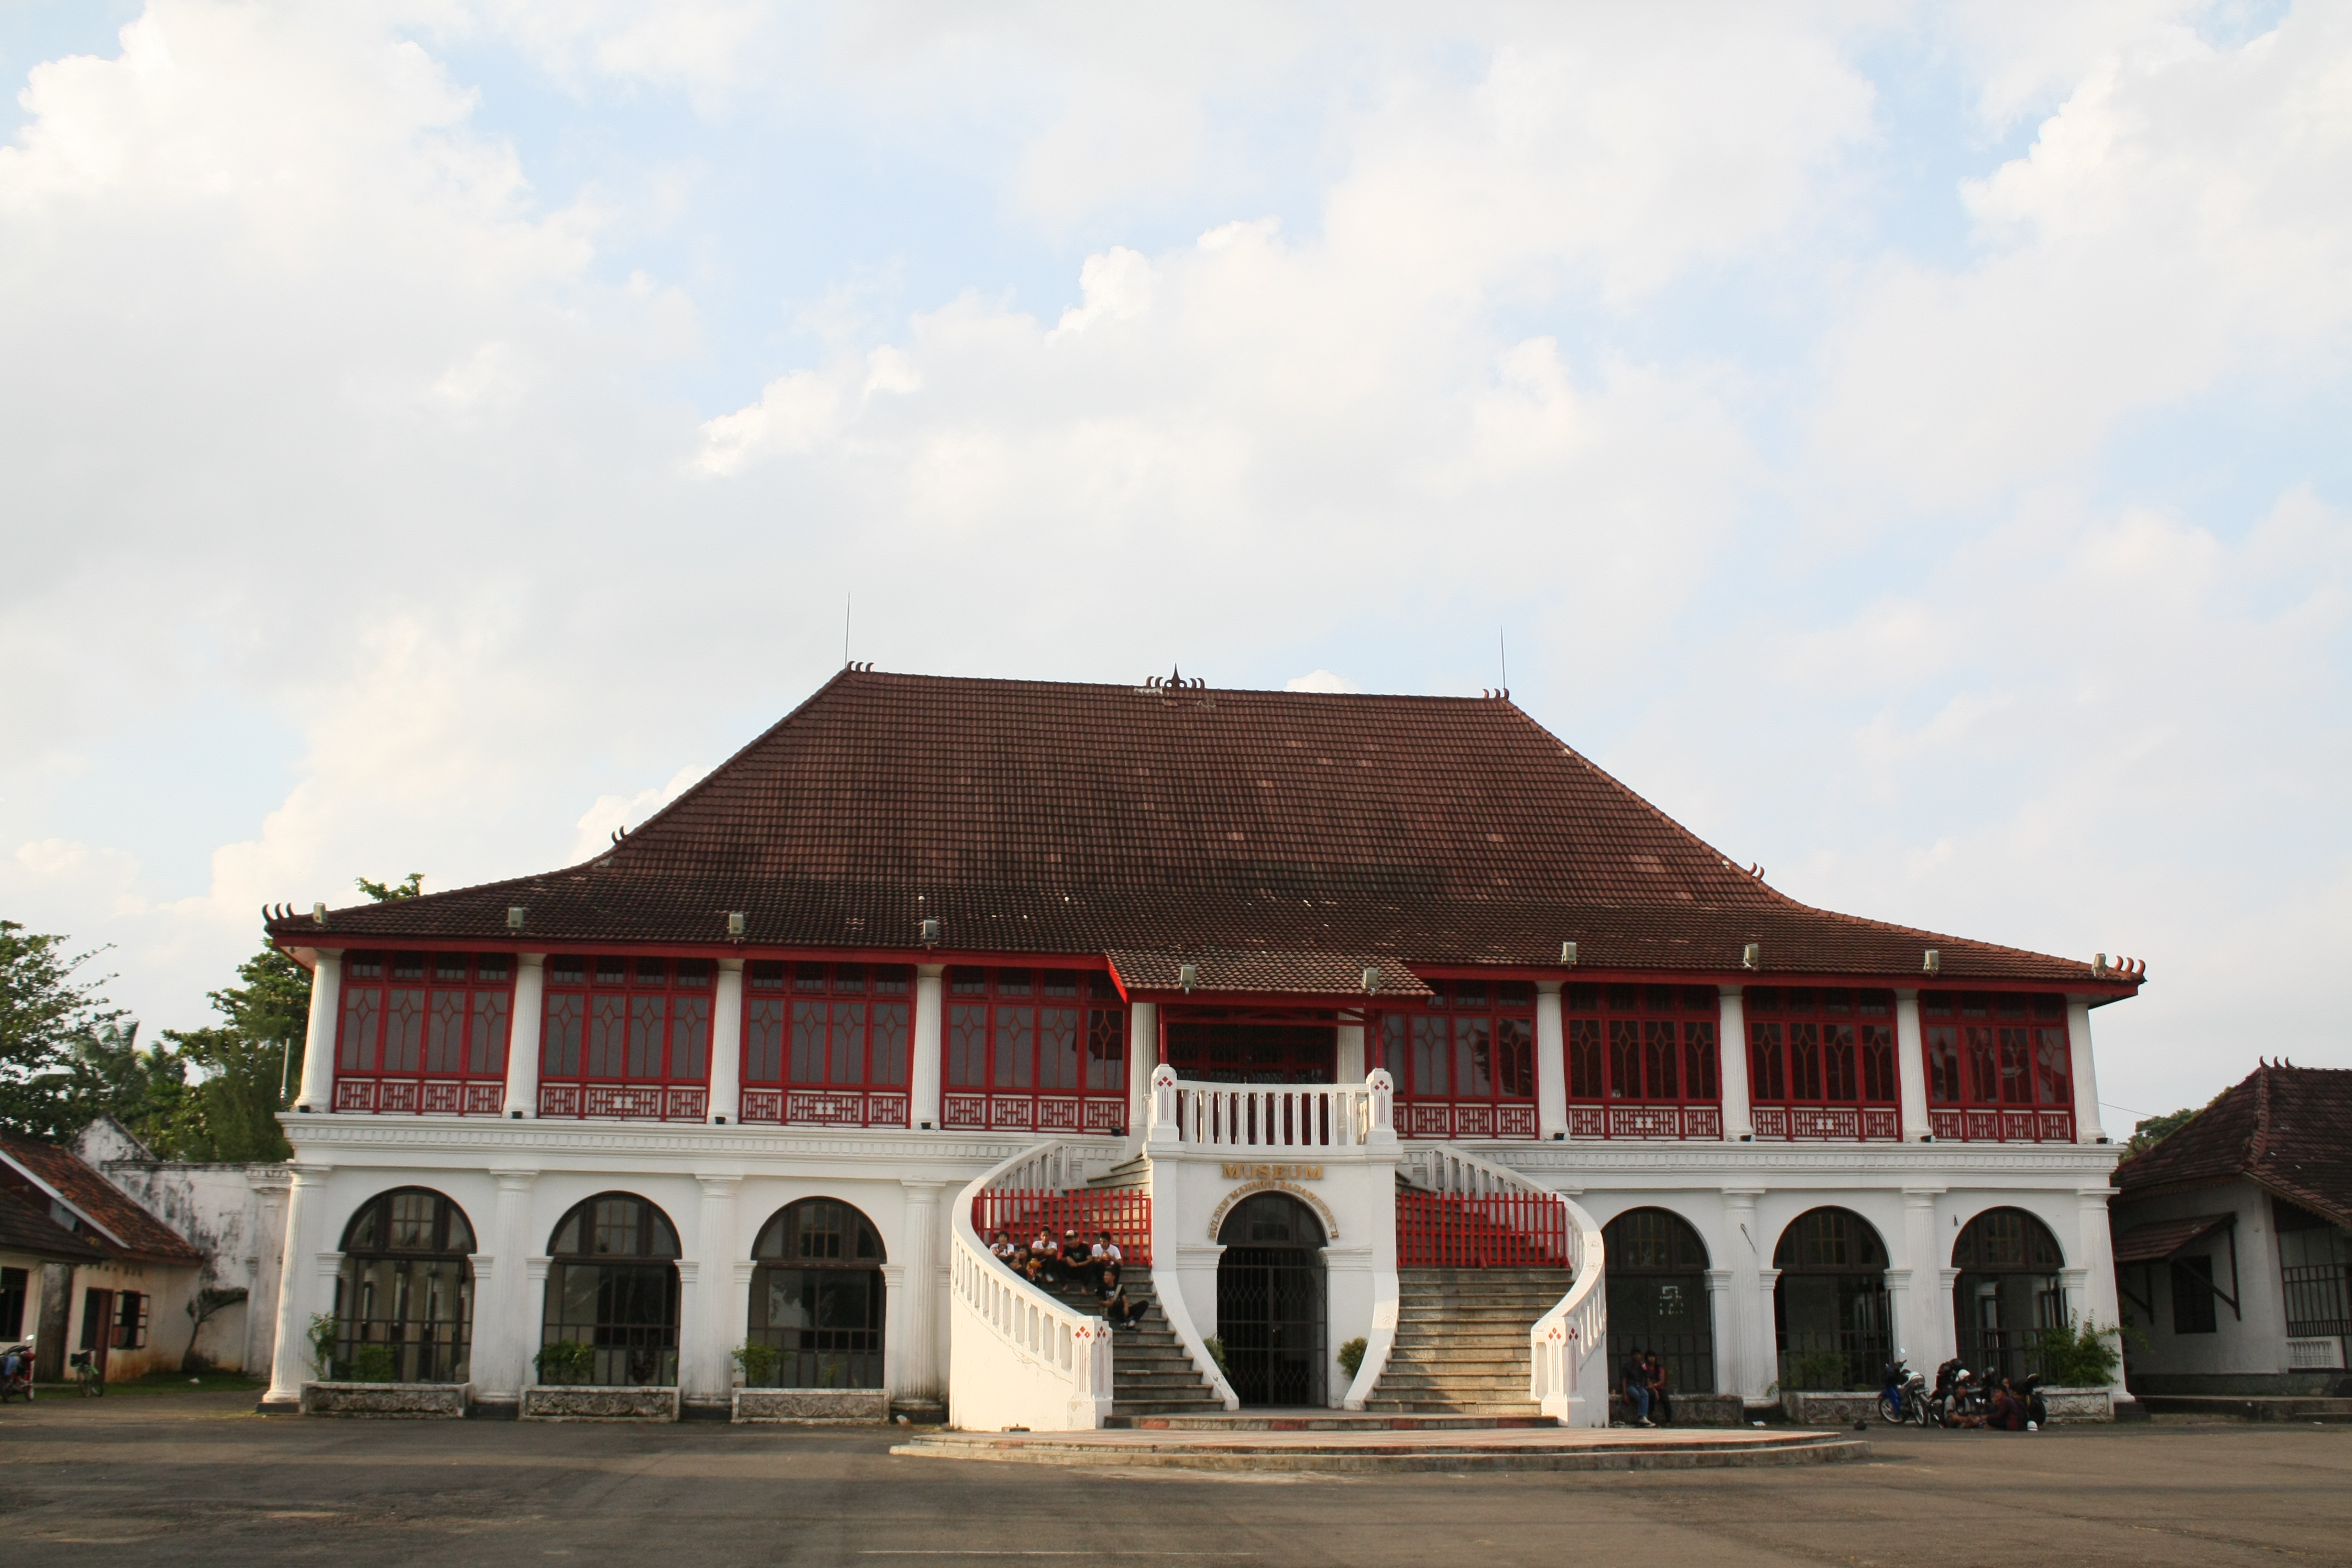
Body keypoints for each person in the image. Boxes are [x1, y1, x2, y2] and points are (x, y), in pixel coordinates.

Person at [1097, 1266, 1146, 1330]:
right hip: (1111, 1310)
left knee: (1144, 1304)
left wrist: (1126, 1308)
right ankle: (1123, 1323)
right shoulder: (1101, 1288)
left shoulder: (1119, 1287)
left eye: (1108, 1275)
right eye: (1105, 1275)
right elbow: (1099, 1301)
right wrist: (1106, 1303)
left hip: (1121, 1309)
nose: (1105, 1277)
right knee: (1117, 1304)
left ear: (1113, 1277)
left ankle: (1132, 1323)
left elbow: (1124, 1299)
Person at [1622, 1346, 1653, 1426]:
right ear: (1632, 1356)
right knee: (1637, 1395)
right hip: (1631, 1386)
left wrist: (1644, 1366)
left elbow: (1648, 1375)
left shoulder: (1643, 1366)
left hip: (1640, 1386)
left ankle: (1643, 1416)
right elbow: (1624, 1380)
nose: (1637, 1357)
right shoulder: (1628, 1366)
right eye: (1635, 1355)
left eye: (1638, 1355)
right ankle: (1641, 1416)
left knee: (1645, 1394)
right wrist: (1625, 1394)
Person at [1644, 1352, 1673, 1427]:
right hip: (1650, 1388)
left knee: (1666, 1400)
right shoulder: (1645, 1367)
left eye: (1653, 1357)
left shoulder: (1659, 1368)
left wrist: (1655, 1385)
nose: (1651, 1359)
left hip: (1659, 1387)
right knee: (1651, 1397)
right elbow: (1647, 1379)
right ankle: (1649, 1418)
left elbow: (1662, 1381)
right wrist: (1652, 1388)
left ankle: (1668, 1421)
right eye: (1649, 1357)